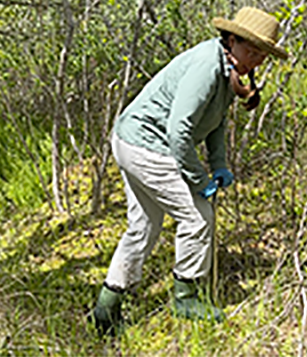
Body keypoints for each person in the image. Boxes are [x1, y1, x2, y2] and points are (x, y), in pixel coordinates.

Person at [89, 7, 288, 334]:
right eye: (250, 50)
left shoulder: (227, 67)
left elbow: (216, 122)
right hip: (146, 145)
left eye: (261, 54)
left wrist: (220, 164)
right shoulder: (208, 67)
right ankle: (185, 298)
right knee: (198, 216)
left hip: (130, 140)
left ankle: (105, 311)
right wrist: (200, 180)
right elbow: (179, 130)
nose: (254, 60)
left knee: (144, 226)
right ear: (232, 39)